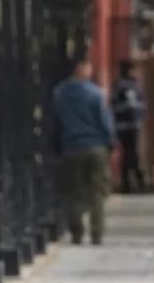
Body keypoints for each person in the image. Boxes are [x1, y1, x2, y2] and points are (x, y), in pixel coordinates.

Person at [52, 58, 114, 244]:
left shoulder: (60, 93)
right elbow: (104, 121)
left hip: (71, 145)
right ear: (83, 70)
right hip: (95, 145)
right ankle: (97, 232)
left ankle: (76, 231)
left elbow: (56, 122)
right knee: (97, 191)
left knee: (74, 191)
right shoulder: (95, 93)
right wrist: (109, 142)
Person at [110, 59, 147, 193]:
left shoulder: (118, 86)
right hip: (132, 125)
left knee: (127, 154)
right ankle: (138, 181)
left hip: (122, 126)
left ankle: (128, 183)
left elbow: (114, 106)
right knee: (132, 154)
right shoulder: (135, 87)